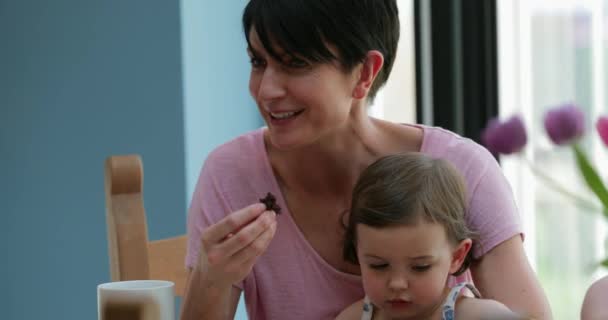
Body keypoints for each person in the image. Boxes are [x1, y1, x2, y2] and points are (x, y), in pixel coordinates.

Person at [180, 1, 552, 319]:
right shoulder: (230, 174)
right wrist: (211, 281)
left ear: (364, 73)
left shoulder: (463, 169)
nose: (266, 90)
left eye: (295, 63)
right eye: (258, 61)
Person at [335, 152, 525, 320]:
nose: (397, 284)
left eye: (420, 267)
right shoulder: (355, 317)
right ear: (358, 252)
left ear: (457, 256)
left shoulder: (476, 315)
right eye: (379, 265)